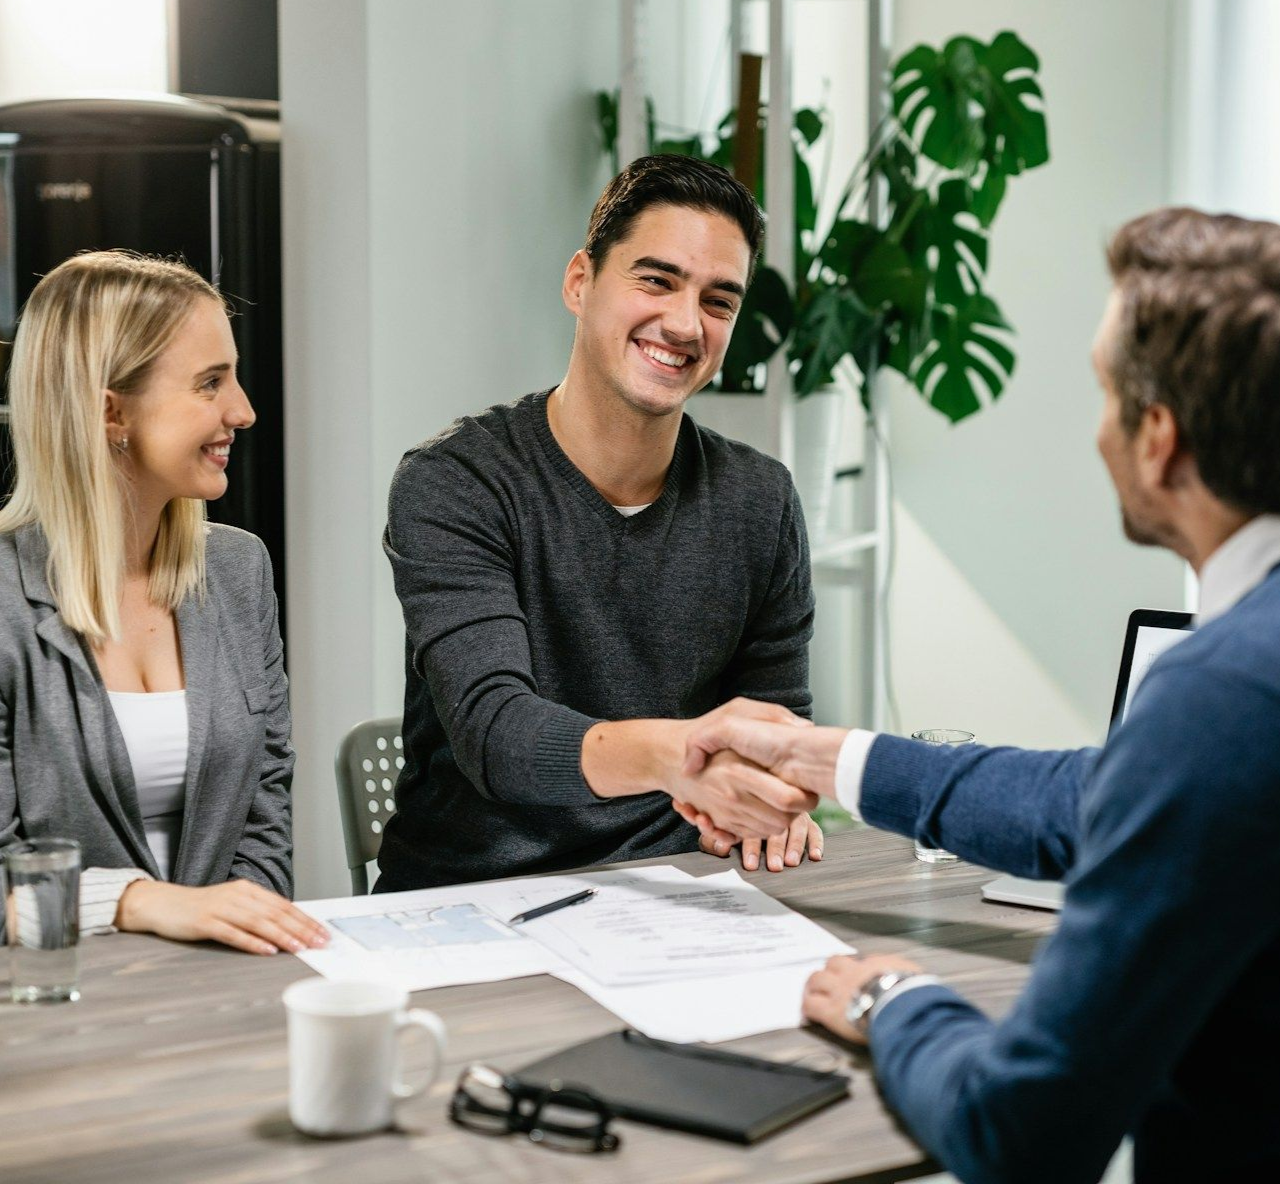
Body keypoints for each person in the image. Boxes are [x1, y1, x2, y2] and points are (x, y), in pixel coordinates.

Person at [675, 207, 1280, 1181]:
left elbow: (1020, 1131)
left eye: (1102, 391)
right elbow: (1091, 797)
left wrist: (895, 999)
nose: (1096, 429)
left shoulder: (1222, 694)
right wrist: (820, 753)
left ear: (1158, 438)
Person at [379, 154, 821, 892]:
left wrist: (779, 793)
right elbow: (499, 735)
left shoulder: (759, 499)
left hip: (685, 892)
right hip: (475, 903)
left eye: (719, 301)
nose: (684, 323)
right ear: (580, 281)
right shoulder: (457, 483)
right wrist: (684, 756)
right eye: (656, 280)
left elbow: (775, 726)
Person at [0, 252, 327, 958]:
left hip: (224, 993)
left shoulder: (238, 570)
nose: (242, 410)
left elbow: (266, 820)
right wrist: (138, 902)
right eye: (210, 383)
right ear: (110, 409)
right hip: (53, 1003)